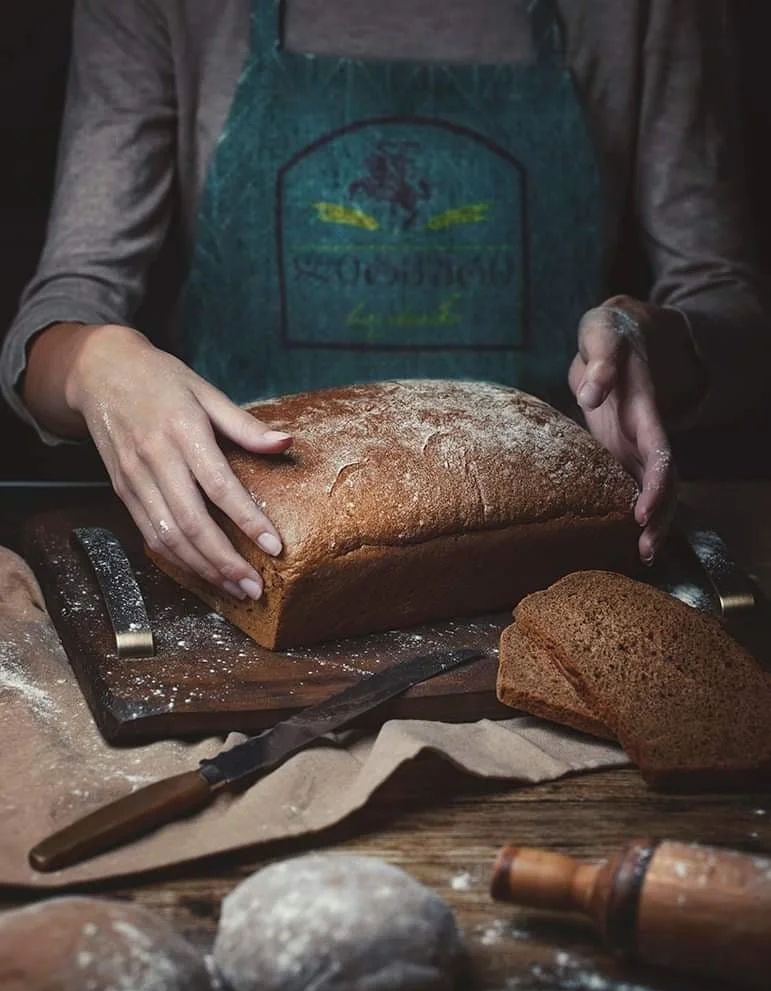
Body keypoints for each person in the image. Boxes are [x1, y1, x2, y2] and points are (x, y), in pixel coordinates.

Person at [2, 0, 769, 603]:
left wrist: (649, 341)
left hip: (551, 539)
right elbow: (55, 318)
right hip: (253, 530)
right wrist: (97, 362)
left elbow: (731, 309)